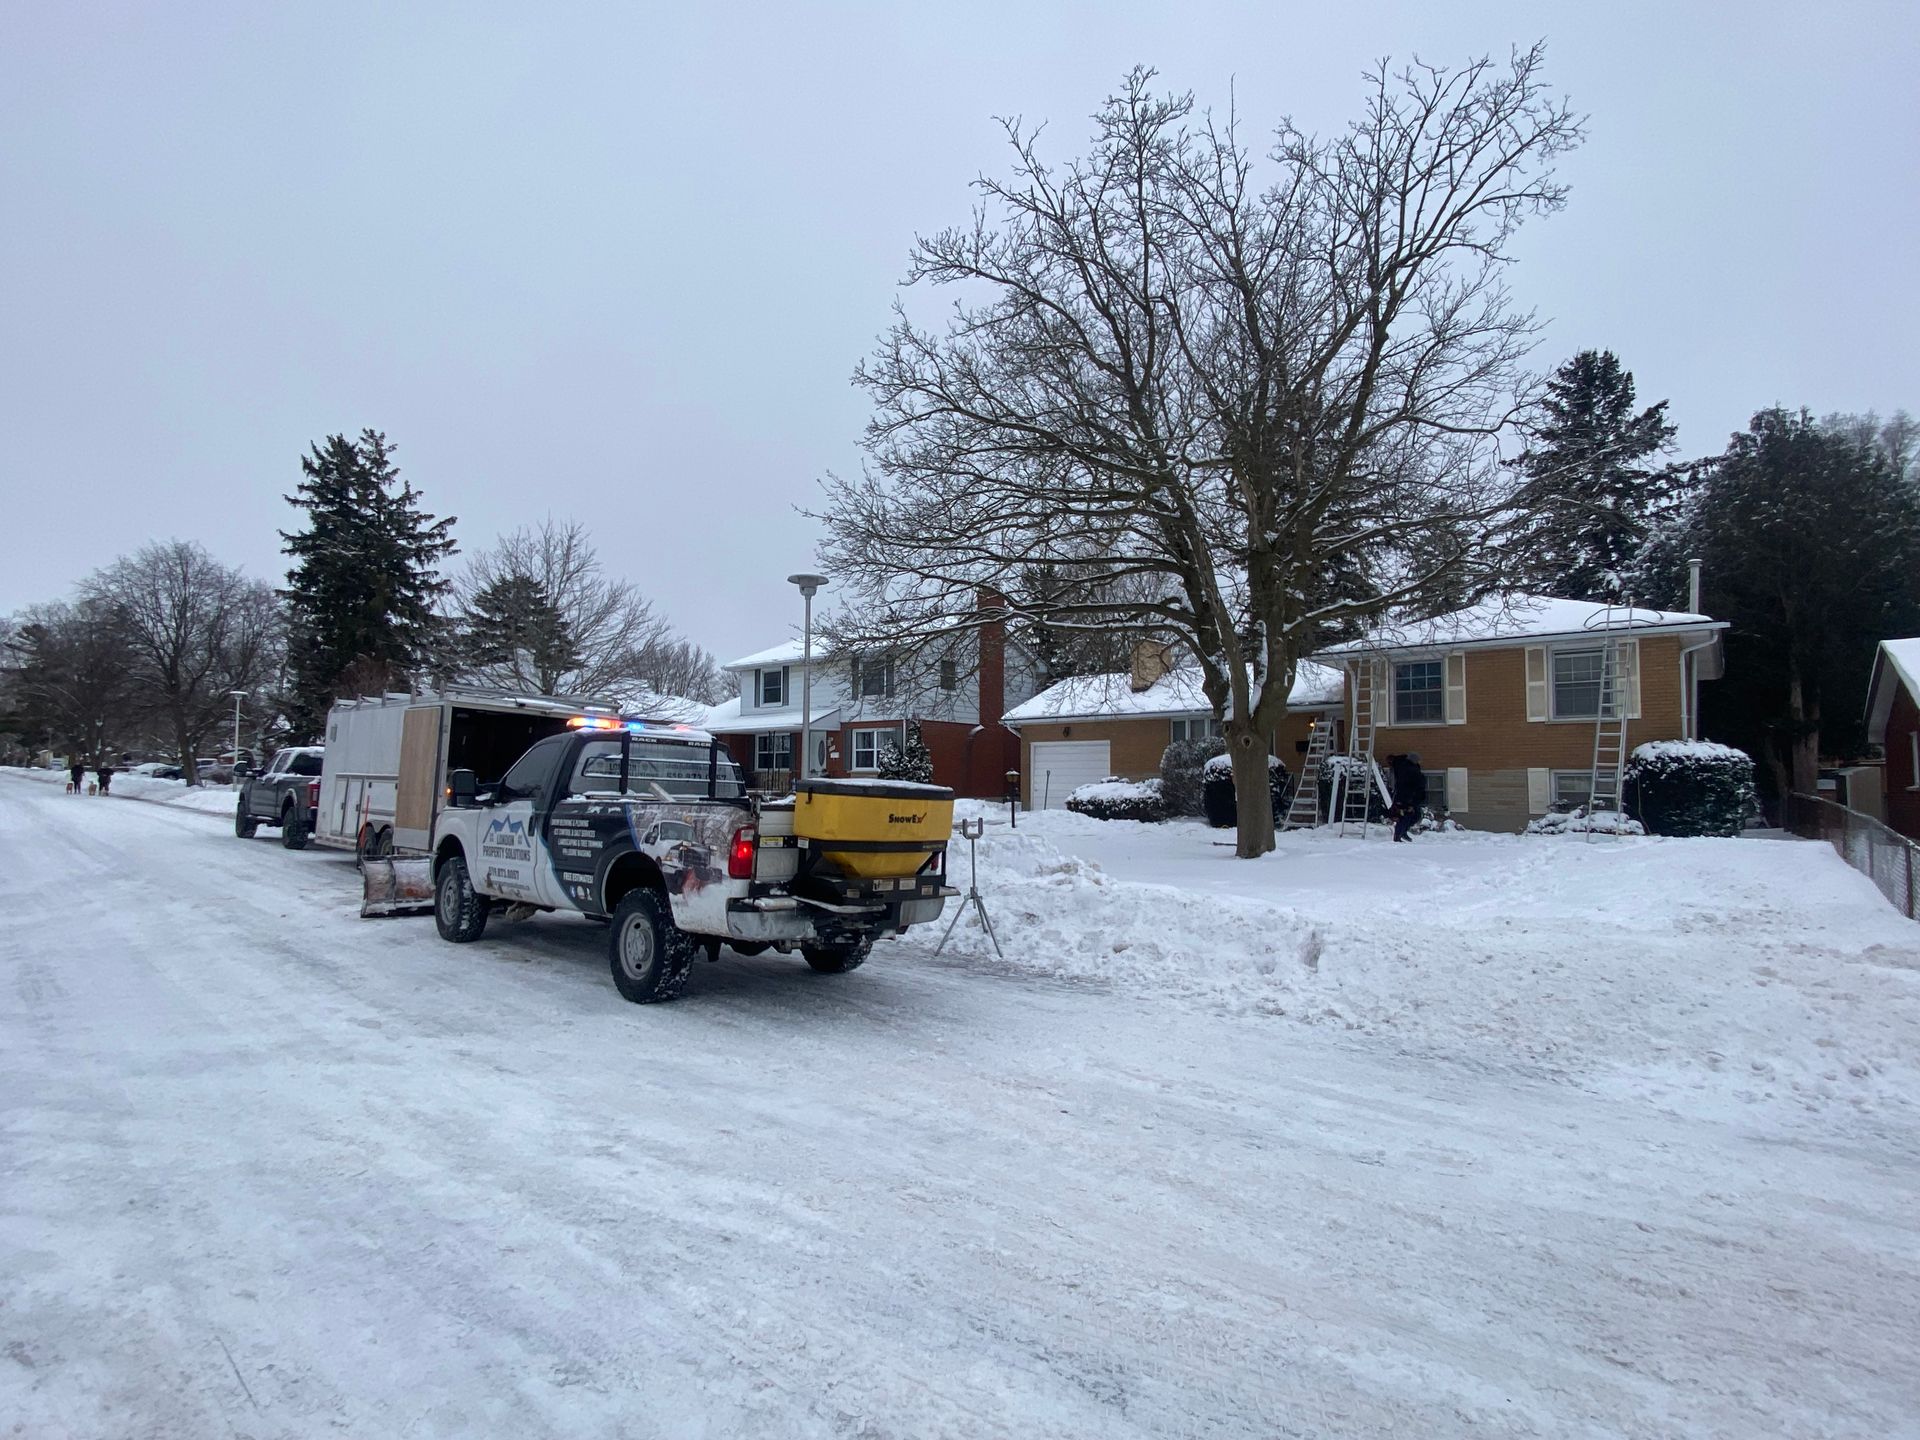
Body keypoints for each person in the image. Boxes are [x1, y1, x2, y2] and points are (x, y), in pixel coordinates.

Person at [1390, 752, 1427, 842]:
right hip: (1406, 797)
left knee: (1415, 815)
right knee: (1405, 816)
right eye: (1417, 760)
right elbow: (1411, 784)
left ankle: (1403, 832)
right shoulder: (1408, 769)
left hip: (1410, 797)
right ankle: (1398, 836)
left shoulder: (1407, 767)